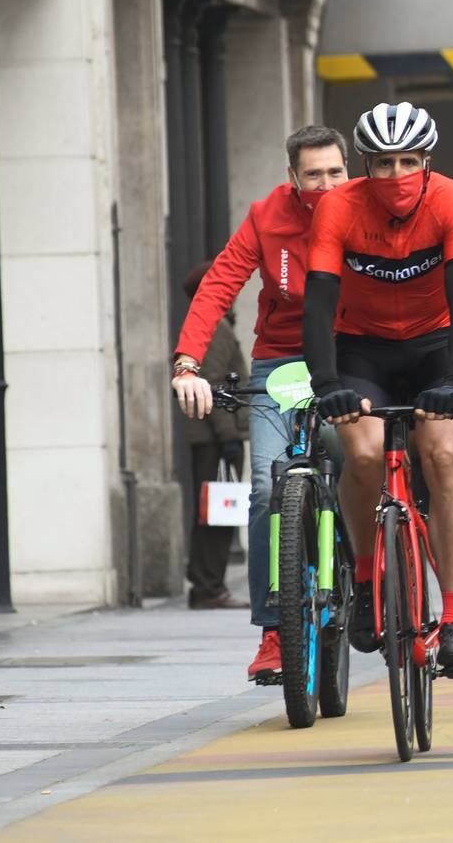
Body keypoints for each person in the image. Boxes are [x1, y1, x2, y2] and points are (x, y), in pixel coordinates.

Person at [302, 101, 453, 675]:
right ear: (364, 165)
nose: (395, 176)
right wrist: (326, 382)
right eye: (382, 163)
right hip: (363, 348)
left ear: (427, 162)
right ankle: (362, 575)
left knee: (445, 455)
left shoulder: (452, 200)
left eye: (408, 162)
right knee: (362, 451)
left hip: (434, 345)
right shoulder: (339, 207)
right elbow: (319, 303)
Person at [171, 125, 350, 683]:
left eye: (335, 172)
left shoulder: (368, 210)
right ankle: (275, 629)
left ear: (350, 170)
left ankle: (369, 569)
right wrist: (187, 364)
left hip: (350, 355)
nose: (325, 185)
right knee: (269, 485)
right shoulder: (266, 216)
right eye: (313, 174)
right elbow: (220, 284)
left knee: (364, 464)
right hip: (281, 360)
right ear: (292, 177)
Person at [178, 261, 251, 612]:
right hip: (216, 439)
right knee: (217, 515)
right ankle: (208, 586)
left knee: (215, 513)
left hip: (211, 437)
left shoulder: (209, 326)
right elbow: (214, 386)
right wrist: (229, 437)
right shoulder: (215, 328)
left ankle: (207, 583)